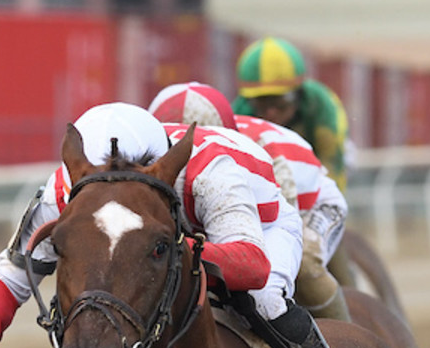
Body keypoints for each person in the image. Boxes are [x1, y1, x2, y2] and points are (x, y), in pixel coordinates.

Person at [0, 101, 370, 348]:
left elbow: (251, 264)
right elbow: (14, 267)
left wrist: (172, 252)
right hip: (162, 234)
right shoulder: (63, 190)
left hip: (261, 228)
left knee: (262, 299)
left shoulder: (212, 172)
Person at [149, 80, 353, 322]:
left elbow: (266, 236)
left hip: (306, 203)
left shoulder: (262, 155)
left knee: (304, 267)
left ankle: (344, 337)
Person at [232, 36, 357, 288]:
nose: (270, 113)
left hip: (318, 174)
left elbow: (332, 169)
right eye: (261, 103)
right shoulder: (239, 110)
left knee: (321, 251)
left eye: (280, 103)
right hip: (272, 183)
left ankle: (348, 291)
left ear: (299, 94)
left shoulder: (321, 105)